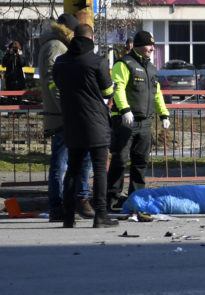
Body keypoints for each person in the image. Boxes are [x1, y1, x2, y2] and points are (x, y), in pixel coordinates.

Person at [52, 23, 118, 228]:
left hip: (72, 122)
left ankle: (69, 217)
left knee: (72, 169)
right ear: (92, 38)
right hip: (96, 123)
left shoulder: (60, 62)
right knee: (99, 169)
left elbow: (57, 86)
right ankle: (100, 216)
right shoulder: (98, 62)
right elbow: (108, 92)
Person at [106, 30, 171, 210]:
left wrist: (164, 114)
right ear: (139, 46)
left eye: (152, 45)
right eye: (149, 45)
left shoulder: (151, 68)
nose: (152, 48)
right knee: (120, 160)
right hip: (125, 121)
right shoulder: (124, 64)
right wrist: (125, 109)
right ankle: (112, 199)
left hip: (145, 122)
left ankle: (136, 199)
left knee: (140, 162)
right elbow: (118, 89)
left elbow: (156, 93)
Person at [39, 14, 94, 222]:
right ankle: (58, 206)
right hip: (62, 116)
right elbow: (54, 83)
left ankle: (67, 204)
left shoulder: (54, 45)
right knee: (61, 163)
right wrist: (69, 107)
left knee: (69, 161)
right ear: (69, 30)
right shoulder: (56, 47)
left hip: (61, 115)